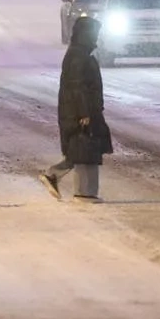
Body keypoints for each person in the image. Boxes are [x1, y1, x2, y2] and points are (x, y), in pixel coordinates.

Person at [38, 16, 113, 203]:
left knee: (85, 148)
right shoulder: (78, 57)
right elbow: (77, 87)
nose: (96, 37)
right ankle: (83, 192)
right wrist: (84, 113)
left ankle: (60, 178)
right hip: (80, 112)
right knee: (84, 148)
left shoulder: (79, 54)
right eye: (94, 33)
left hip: (84, 110)